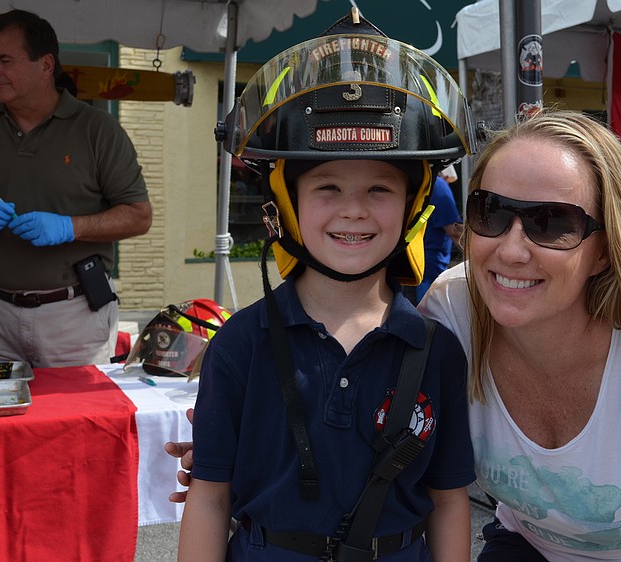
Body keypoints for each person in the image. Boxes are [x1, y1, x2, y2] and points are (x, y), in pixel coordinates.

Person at [168, 109, 621, 561]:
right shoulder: (453, 311)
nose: (511, 249)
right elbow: (358, 395)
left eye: (552, 223)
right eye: (491, 212)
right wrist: (243, 439)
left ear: (606, 251)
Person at [175, 11, 476, 562]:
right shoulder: (239, 345)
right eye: (328, 186)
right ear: (285, 203)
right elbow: (210, 498)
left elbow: (449, 500)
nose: (354, 210)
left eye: (380, 189)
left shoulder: (436, 350)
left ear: (414, 207)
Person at [0, 9, 151, 367]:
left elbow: (139, 217)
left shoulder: (98, 131)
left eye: (3, 60)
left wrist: (68, 227)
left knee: (76, 420)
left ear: (45, 65)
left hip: (73, 318)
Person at [414, 169, 462, 303]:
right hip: (433, 268)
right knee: (431, 317)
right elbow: (455, 232)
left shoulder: (422, 184)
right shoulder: (440, 186)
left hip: (418, 262)